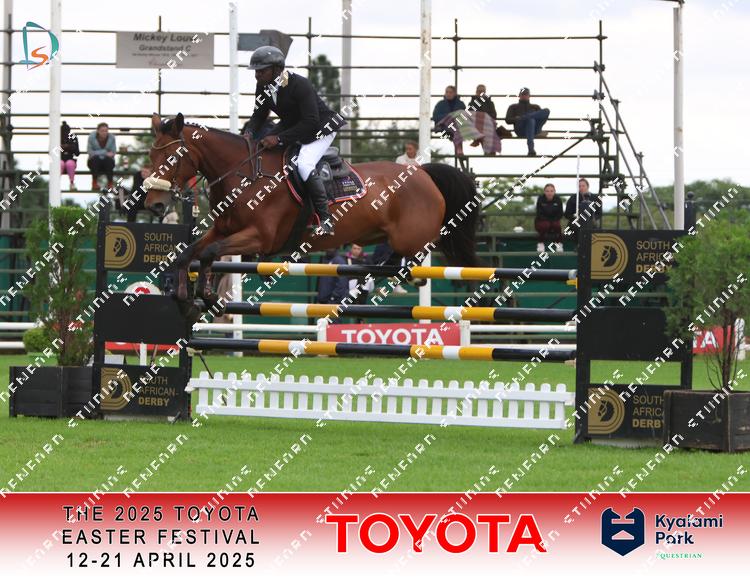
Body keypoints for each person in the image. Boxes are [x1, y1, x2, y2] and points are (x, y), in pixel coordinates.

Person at [245, 46, 347, 237]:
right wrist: (248, 134)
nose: (257, 75)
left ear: (277, 69)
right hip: (294, 125)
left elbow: (311, 121)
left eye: (261, 71)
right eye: (256, 71)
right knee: (263, 151)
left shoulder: (299, 84)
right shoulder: (263, 86)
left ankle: (325, 220)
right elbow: (258, 115)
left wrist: (279, 138)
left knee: (304, 164)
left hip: (321, 128)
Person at [504, 87, 549, 157]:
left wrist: (522, 117)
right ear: (519, 95)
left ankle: (526, 117)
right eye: (522, 94)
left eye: (526, 94)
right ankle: (531, 149)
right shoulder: (513, 107)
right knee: (530, 120)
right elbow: (508, 120)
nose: (524, 96)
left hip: (535, 129)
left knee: (546, 111)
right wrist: (519, 119)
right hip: (521, 130)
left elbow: (542, 118)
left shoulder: (535, 106)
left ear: (529, 96)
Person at [534, 183, 564, 253]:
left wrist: (553, 221)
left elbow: (560, 214)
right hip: (542, 221)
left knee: (557, 226)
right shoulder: (540, 199)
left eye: (551, 191)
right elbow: (539, 214)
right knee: (545, 225)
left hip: (554, 221)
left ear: (554, 191)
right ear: (544, 192)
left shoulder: (558, 199)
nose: (549, 193)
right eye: (547, 191)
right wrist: (549, 221)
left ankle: (559, 243)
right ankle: (540, 243)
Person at [87, 122, 116, 190]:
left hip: (107, 162)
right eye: (102, 131)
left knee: (108, 160)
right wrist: (105, 152)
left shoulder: (112, 138)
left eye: (106, 131)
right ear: (98, 131)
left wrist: (97, 152)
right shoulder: (91, 137)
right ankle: (94, 182)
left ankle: (110, 183)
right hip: (94, 162)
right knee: (95, 160)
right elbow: (90, 152)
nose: (104, 133)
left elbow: (113, 153)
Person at [60, 121, 79, 191]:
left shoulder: (73, 137)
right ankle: (55, 183)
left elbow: (77, 153)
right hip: (59, 160)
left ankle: (72, 183)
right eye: (63, 131)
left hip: (70, 160)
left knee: (69, 164)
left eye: (67, 131)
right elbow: (52, 152)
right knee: (60, 164)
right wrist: (62, 147)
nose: (65, 133)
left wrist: (68, 146)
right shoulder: (56, 138)